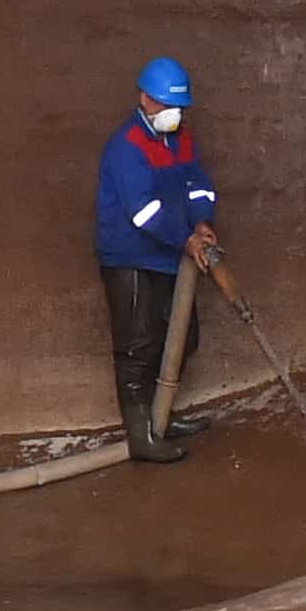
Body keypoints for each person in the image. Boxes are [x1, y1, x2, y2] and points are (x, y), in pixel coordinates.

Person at [92, 56, 222, 464]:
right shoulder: (126, 148)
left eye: (178, 107)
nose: (173, 114)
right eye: (166, 105)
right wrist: (185, 239)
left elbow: (197, 183)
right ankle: (141, 437)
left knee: (183, 338)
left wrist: (201, 221)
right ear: (144, 99)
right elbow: (143, 211)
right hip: (131, 258)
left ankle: (160, 415)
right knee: (137, 349)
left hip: (170, 253)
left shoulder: (180, 139)